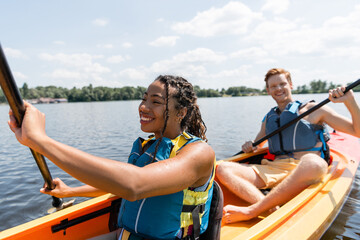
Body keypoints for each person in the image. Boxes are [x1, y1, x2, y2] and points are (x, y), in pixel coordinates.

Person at [8, 75, 216, 240]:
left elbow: (134, 185)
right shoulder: (149, 148)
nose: (143, 107)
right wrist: (70, 191)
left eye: (156, 102)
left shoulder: (199, 153)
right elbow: (117, 184)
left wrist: (40, 141)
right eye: (144, 99)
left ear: (181, 112)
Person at [216, 68, 360, 223]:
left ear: (290, 85)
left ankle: (253, 210)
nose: (278, 88)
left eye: (282, 84)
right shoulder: (269, 118)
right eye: (273, 86)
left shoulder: (314, 110)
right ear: (268, 91)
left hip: (305, 170)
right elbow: (256, 145)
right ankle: (270, 208)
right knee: (223, 168)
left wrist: (350, 101)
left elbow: (356, 132)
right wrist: (249, 145)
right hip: (275, 169)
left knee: (313, 162)